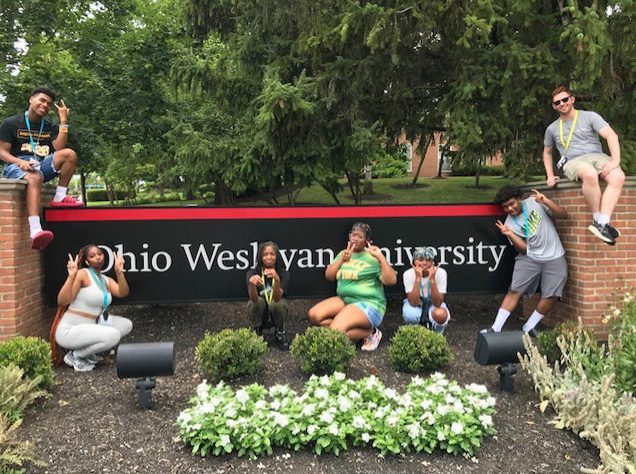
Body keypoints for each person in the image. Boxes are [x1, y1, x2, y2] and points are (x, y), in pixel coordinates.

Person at [0, 86, 83, 250]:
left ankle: (59, 197)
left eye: (49, 104)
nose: (45, 105)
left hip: (39, 163)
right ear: (31, 99)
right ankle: (35, 230)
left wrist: (64, 122)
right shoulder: (11, 123)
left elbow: (59, 149)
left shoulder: (48, 126)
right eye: (42, 100)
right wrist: (19, 163)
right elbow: (2, 152)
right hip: (15, 165)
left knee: (70, 154)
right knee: (35, 177)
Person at [543, 85, 625, 245]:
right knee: (589, 173)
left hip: (597, 156)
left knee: (618, 176)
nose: (562, 104)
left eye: (565, 99)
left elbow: (611, 135)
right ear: (554, 106)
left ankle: (602, 222)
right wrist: (550, 174)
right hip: (573, 162)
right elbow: (547, 152)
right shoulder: (552, 128)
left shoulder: (590, 116)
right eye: (557, 102)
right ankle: (597, 220)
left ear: (572, 100)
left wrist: (615, 161)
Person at [481, 185, 568, 334]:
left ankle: (529, 326)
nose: (509, 208)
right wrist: (510, 234)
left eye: (512, 204)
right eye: (505, 207)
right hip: (530, 257)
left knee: (552, 294)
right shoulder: (509, 223)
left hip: (554, 255)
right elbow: (524, 249)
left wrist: (546, 201)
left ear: (519, 199)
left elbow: (563, 215)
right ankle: (495, 328)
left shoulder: (535, 202)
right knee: (515, 290)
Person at [307, 222, 397, 351]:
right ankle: (361, 331)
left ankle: (370, 333)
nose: (355, 239)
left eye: (360, 237)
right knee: (314, 315)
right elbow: (329, 276)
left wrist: (380, 257)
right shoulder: (344, 254)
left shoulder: (372, 258)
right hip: (346, 300)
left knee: (335, 331)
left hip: (369, 304)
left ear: (367, 240)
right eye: (353, 235)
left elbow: (391, 281)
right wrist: (341, 261)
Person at [52, 244, 132, 372]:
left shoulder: (106, 280)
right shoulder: (82, 274)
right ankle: (75, 356)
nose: (98, 257)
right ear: (87, 261)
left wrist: (119, 273)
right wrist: (71, 277)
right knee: (114, 335)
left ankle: (87, 352)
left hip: (93, 324)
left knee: (126, 324)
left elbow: (123, 292)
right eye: (92, 256)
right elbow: (62, 300)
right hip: (70, 330)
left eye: (100, 254)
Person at [246, 241, 291, 350]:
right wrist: (251, 284)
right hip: (261, 310)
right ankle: (257, 331)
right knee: (256, 303)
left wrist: (277, 280)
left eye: (272, 254)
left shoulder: (284, 273)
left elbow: (276, 298)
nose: (269, 257)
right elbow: (253, 298)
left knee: (277, 304)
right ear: (260, 257)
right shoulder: (252, 273)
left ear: (277, 256)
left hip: (275, 309)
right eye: (265, 254)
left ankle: (280, 331)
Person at [402, 247, 450, 334]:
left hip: (433, 303)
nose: (424, 263)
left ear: (433, 262)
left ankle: (437, 335)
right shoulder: (408, 274)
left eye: (428, 260)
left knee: (441, 315)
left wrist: (432, 279)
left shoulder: (441, 273)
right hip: (416, 304)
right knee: (410, 315)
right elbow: (413, 302)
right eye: (420, 259)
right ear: (414, 261)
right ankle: (416, 333)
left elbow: (438, 303)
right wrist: (418, 278)